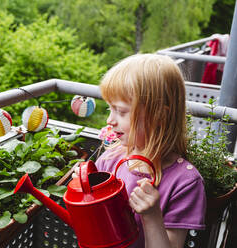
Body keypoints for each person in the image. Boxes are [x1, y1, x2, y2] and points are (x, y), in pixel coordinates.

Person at [74, 54, 206, 248]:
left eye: (121, 111)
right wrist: (84, 188)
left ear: (159, 114)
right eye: (110, 108)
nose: (110, 120)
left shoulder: (185, 182)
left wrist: (152, 217)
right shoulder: (110, 159)